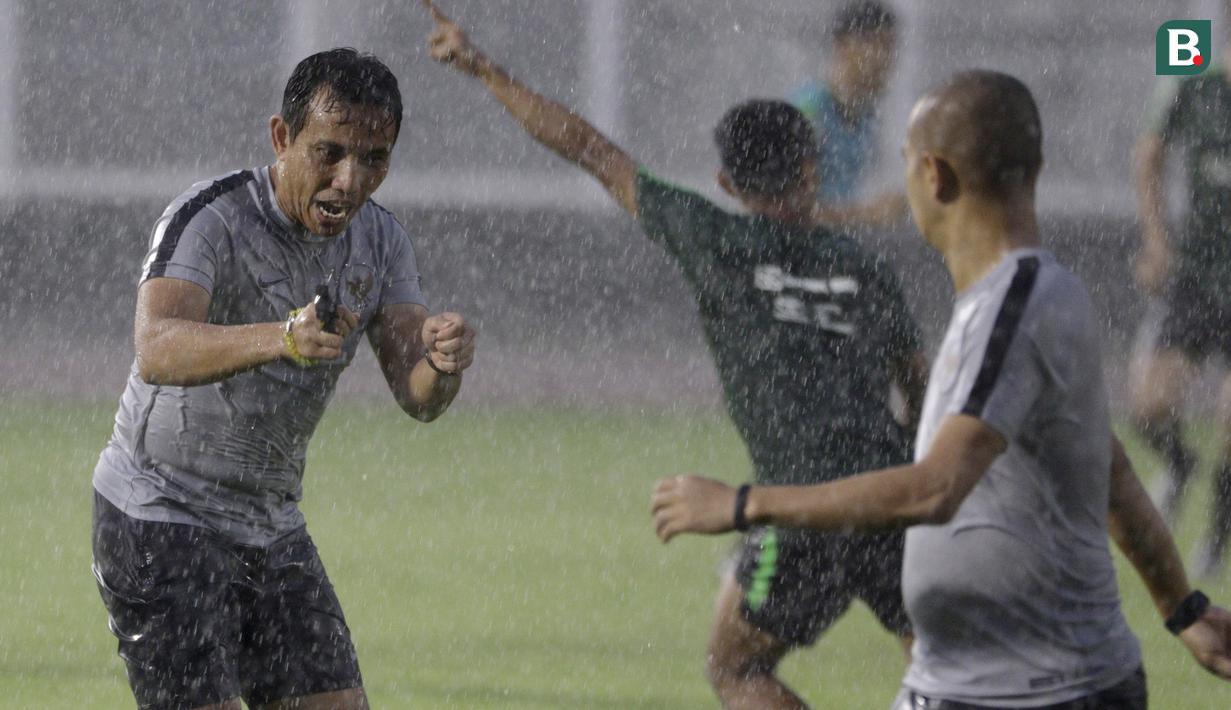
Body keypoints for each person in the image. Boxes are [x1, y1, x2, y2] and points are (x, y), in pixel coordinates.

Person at [652, 70, 1231, 707]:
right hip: (1025, 681)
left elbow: (934, 488)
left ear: (933, 175)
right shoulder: (1043, 294)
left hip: (1015, 692)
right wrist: (1183, 609)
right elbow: (1109, 469)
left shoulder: (1007, 313)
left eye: (906, 161)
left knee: (735, 666)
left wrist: (743, 504)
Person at [424, 2, 927, 707]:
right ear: (811, 170)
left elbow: (591, 150)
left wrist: (483, 68)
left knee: (736, 668)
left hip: (797, 509)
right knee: (939, 664)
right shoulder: (865, 269)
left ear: (726, 185)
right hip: (890, 495)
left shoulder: (716, 242)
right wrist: (898, 471)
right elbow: (921, 387)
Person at [91, 48, 476, 710]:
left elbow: (418, 396)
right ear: (281, 137)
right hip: (159, 511)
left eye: (374, 159)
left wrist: (442, 364)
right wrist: (282, 337)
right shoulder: (212, 217)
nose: (350, 180)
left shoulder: (382, 243)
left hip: (268, 523)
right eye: (329, 152)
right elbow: (156, 346)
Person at [1130, 51, 1231, 579]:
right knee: (1148, 406)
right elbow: (1150, 153)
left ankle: (1216, 537)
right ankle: (1179, 463)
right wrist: (1156, 239)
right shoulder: (1195, 81)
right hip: (1197, 272)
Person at [789, 0, 908, 230]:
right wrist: (869, 213)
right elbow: (787, 210)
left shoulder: (868, 118)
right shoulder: (808, 109)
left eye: (891, 49)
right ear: (843, 45)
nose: (887, 60)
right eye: (877, 46)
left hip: (842, 239)